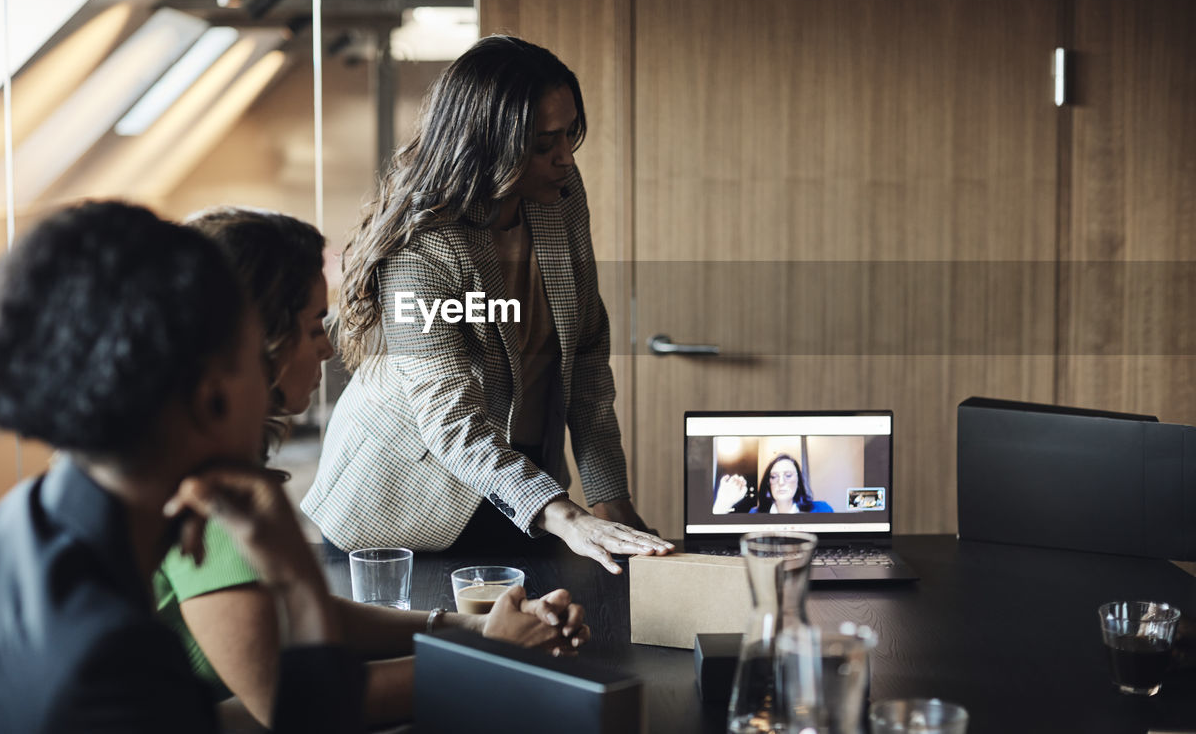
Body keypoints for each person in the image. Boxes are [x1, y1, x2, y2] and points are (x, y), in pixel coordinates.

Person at [0, 201, 359, 732]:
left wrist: (293, 577)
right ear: (212, 397)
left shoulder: (23, 522)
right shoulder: (114, 666)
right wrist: (301, 584)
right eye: (252, 360)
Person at [156, 207, 588, 727]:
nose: (327, 345)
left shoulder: (214, 459)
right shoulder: (202, 491)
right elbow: (303, 708)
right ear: (257, 337)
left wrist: (471, 629)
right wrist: (494, 656)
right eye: (315, 322)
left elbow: (298, 620)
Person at [303, 35, 672, 573]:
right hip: (403, 506)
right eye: (545, 141)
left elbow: (585, 349)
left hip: (524, 489)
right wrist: (568, 517)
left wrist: (609, 495)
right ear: (487, 143)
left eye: (570, 134)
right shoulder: (420, 251)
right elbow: (451, 421)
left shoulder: (559, 196)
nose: (565, 157)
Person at [714, 454, 834, 515]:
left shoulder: (822, 509)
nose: (781, 482)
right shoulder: (755, 514)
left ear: (798, 482)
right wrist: (723, 503)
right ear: (768, 483)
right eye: (774, 477)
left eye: (788, 475)